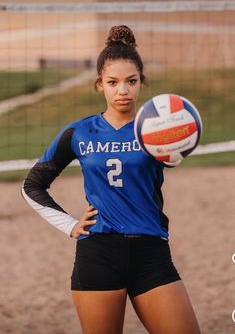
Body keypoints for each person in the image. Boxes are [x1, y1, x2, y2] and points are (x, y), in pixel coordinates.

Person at [22, 25, 201, 334]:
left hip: (151, 252)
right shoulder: (78, 132)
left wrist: (180, 141)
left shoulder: (156, 131)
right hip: (98, 253)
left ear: (142, 83)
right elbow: (32, 185)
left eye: (131, 81)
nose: (123, 90)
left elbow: (173, 156)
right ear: (99, 85)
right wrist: (70, 225)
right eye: (113, 82)